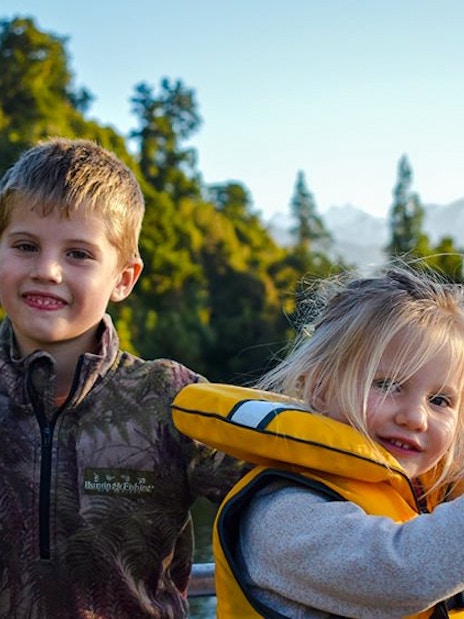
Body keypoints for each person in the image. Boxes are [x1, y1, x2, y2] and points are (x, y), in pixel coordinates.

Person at [0, 137, 245, 619]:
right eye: (26, 246)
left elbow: (284, 495)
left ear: (124, 279)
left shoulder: (171, 400)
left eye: (79, 255)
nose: (47, 270)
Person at [172, 265, 464, 618]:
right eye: (387, 385)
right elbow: (400, 573)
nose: (415, 417)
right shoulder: (283, 512)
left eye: (440, 401)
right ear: (320, 388)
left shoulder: (417, 501)